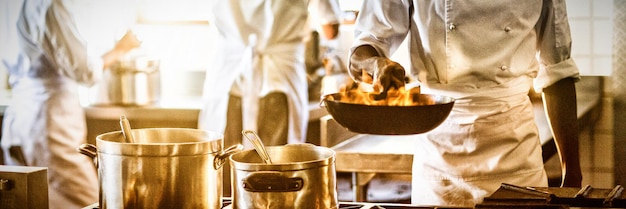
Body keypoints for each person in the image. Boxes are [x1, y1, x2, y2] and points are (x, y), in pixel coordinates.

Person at [348, 0, 582, 207]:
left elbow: (557, 73)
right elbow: (364, 47)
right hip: (440, 156)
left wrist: (572, 175)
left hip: (515, 154)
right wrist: (375, 63)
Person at [0, 0, 141, 208]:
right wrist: (120, 49)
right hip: (50, 122)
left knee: (34, 199)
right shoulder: (48, 4)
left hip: (20, 116)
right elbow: (83, 70)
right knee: (94, 200)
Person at [198, 0, 341, 148]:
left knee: (222, 159)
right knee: (278, 162)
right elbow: (330, 30)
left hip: (228, 75)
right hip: (281, 77)